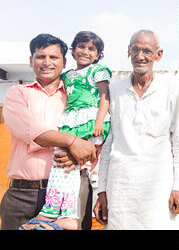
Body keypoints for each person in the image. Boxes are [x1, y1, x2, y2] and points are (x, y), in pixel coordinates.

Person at [93, 29, 179, 229]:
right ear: (128, 52)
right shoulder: (115, 89)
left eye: (146, 51)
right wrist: (102, 190)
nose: (140, 56)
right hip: (121, 186)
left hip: (159, 185)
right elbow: (108, 141)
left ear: (158, 55)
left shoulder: (171, 87)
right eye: (135, 50)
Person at [0, 34, 97, 230]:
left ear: (64, 62)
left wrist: (86, 150)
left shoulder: (79, 96)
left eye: (53, 57)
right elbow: (32, 131)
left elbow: (98, 132)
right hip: (23, 195)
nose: (47, 63)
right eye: (40, 57)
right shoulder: (18, 94)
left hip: (72, 191)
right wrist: (72, 142)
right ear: (31, 61)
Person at [21, 31, 111, 230]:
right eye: (81, 46)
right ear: (72, 50)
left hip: (89, 120)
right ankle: (53, 211)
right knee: (60, 165)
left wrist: (99, 121)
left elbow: (105, 96)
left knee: (73, 166)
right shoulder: (67, 75)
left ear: (97, 55)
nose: (85, 52)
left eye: (91, 49)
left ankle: (67, 214)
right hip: (72, 121)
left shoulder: (98, 71)